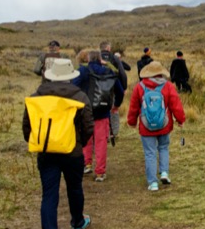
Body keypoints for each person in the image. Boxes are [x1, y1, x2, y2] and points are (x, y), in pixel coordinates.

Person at [22, 58, 94, 229]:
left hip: (46, 152)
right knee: (74, 187)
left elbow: (27, 126)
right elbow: (89, 125)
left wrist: (38, 143)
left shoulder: (36, 96)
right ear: (70, 76)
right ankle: (77, 223)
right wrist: (80, 143)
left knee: (49, 194)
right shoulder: (80, 96)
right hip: (72, 152)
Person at [126, 61, 185, 191]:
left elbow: (134, 108)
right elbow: (176, 105)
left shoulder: (139, 87)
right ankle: (164, 172)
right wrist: (180, 119)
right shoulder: (168, 86)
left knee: (150, 153)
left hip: (146, 126)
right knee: (163, 147)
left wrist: (132, 122)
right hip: (164, 124)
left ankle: (153, 183)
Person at [76, 51, 124, 182]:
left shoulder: (83, 71)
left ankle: (86, 164)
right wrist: (116, 105)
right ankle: (100, 172)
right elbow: (120, 91)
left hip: (85, 111)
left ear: (88, 59)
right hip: (103, 112)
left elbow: (72, 86)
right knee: (101, 142)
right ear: (100, 59)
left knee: (86, 138)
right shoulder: (109, 72)